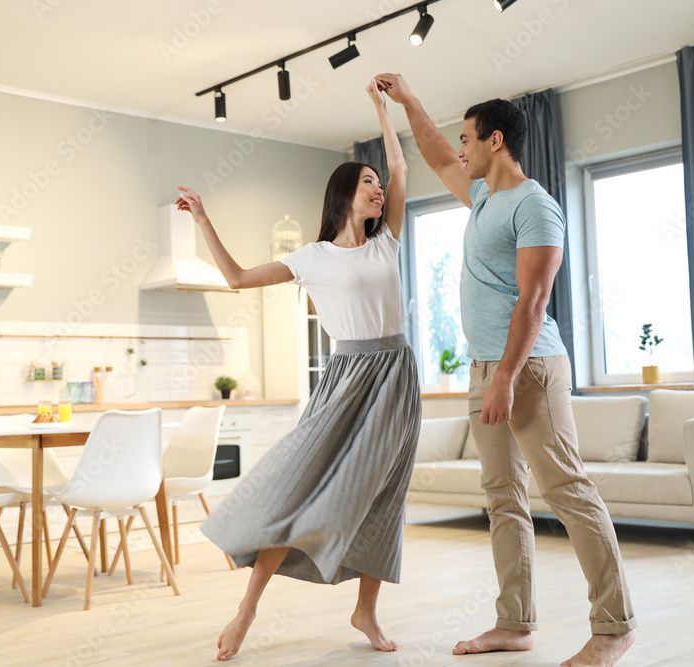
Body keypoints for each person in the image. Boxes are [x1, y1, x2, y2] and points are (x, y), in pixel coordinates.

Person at [374, 72, 637, 667]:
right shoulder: (487, 198)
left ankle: (615, 626)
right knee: (503, 498)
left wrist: (506, 378)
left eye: (468, 138)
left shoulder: (535, 205)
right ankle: (514, 622)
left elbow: (533, 301)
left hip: (530, 368)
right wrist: (411, 101)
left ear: (495, 141)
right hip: (485, 367)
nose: (458, 148)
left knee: (569, 490)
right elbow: (437, 154)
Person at [174, 80, 422, 662]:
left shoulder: (387, 243)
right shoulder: (309, 259)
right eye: (368, 184)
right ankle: (247, 609)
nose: (380, 190)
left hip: (397, 377)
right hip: (347, 379)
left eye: (380, 187)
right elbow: (236, 279)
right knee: (303, 492)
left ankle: (366, 608)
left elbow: (401, 166)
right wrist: (204, 219)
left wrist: (383, 111)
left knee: (384, 496)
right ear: (343, 194)